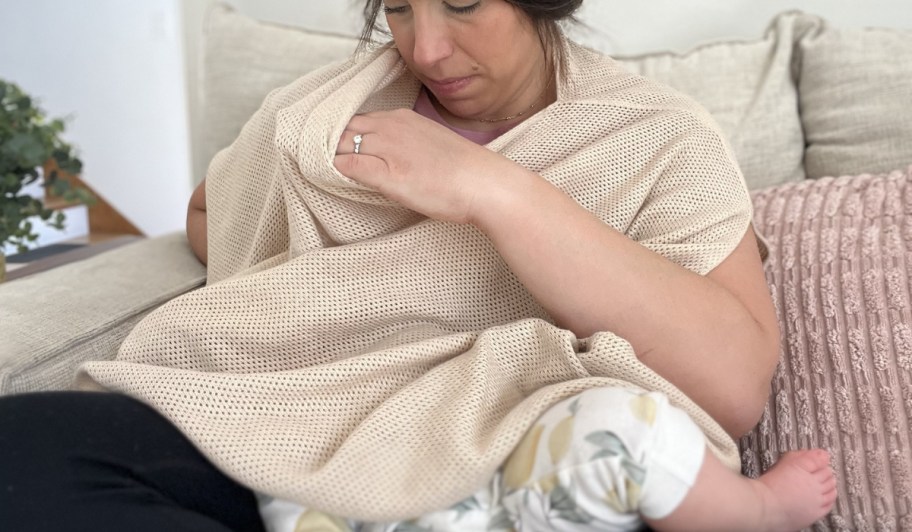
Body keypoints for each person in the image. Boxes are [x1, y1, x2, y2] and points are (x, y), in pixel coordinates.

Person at [0, 1, 836, 531]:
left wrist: (493, 193)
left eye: (463, 2)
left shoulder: (657, 138)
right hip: (282, 416)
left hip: (499, 459)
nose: (427, 47)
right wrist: (335, 288)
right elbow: (208, 213)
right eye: (398, 7)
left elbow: (732, 381)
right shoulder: (330, 112)